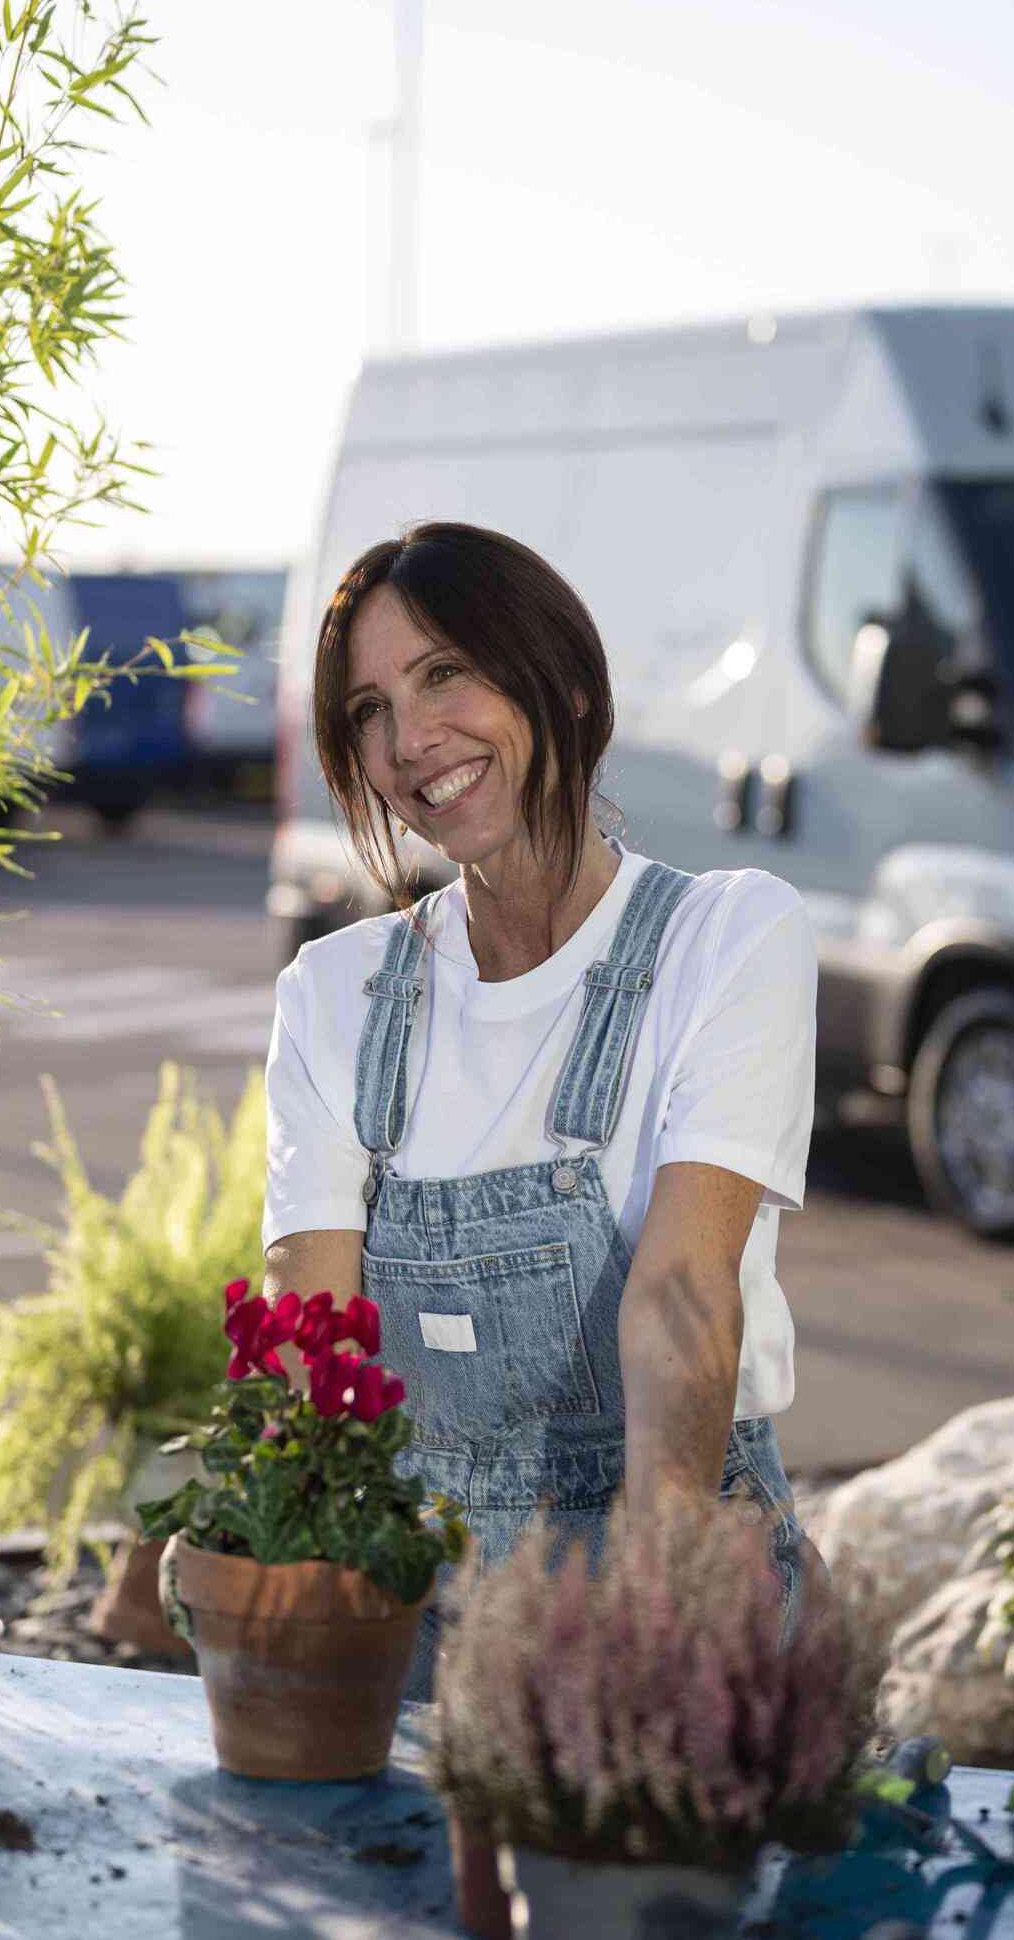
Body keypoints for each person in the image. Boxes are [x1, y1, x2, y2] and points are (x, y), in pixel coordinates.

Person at [261, 521, 819, 1697]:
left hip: (674, 1583)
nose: (411, 741)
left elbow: (680, 1290)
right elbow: (310, 1331)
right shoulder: (333, 993)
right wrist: (268, 1558)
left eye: (444, 674)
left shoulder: (727, 936)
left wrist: (653, 1602)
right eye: (367, 710)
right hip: (416, 1610)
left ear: (561, 678)